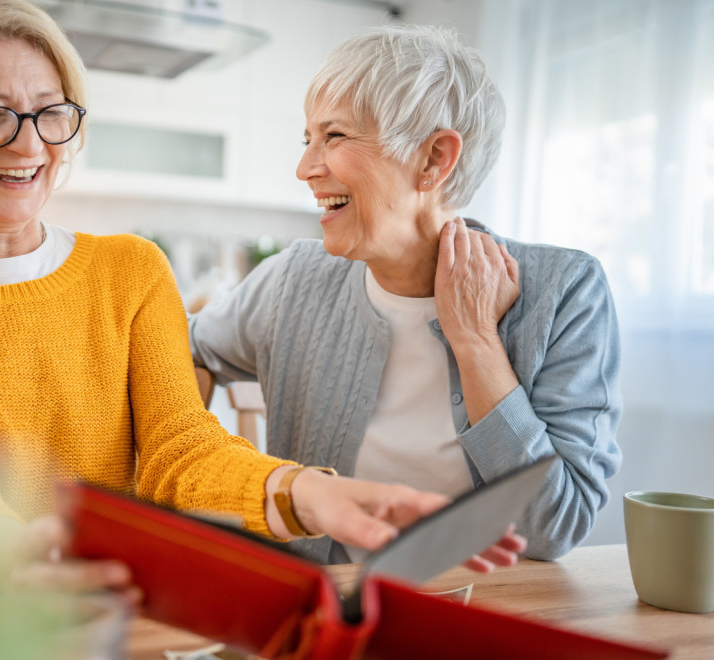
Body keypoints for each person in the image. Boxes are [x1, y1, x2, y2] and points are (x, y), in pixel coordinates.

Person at [0, 1, 522, 596]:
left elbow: (177, 451)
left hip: (106, 600)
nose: (29, 143)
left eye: (49, 112)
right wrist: (16, 553)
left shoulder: (130, 269)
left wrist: (310, 492)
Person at [190, 24, 622, 564]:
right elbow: (184, 351)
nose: (305, 169)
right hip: (330, 610)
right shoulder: (294, 279)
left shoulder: (565, 292)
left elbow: (555, 527)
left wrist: (477, 344)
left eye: (336, 137)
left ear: (434, 159)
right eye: (308, 140)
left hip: (489, 612)